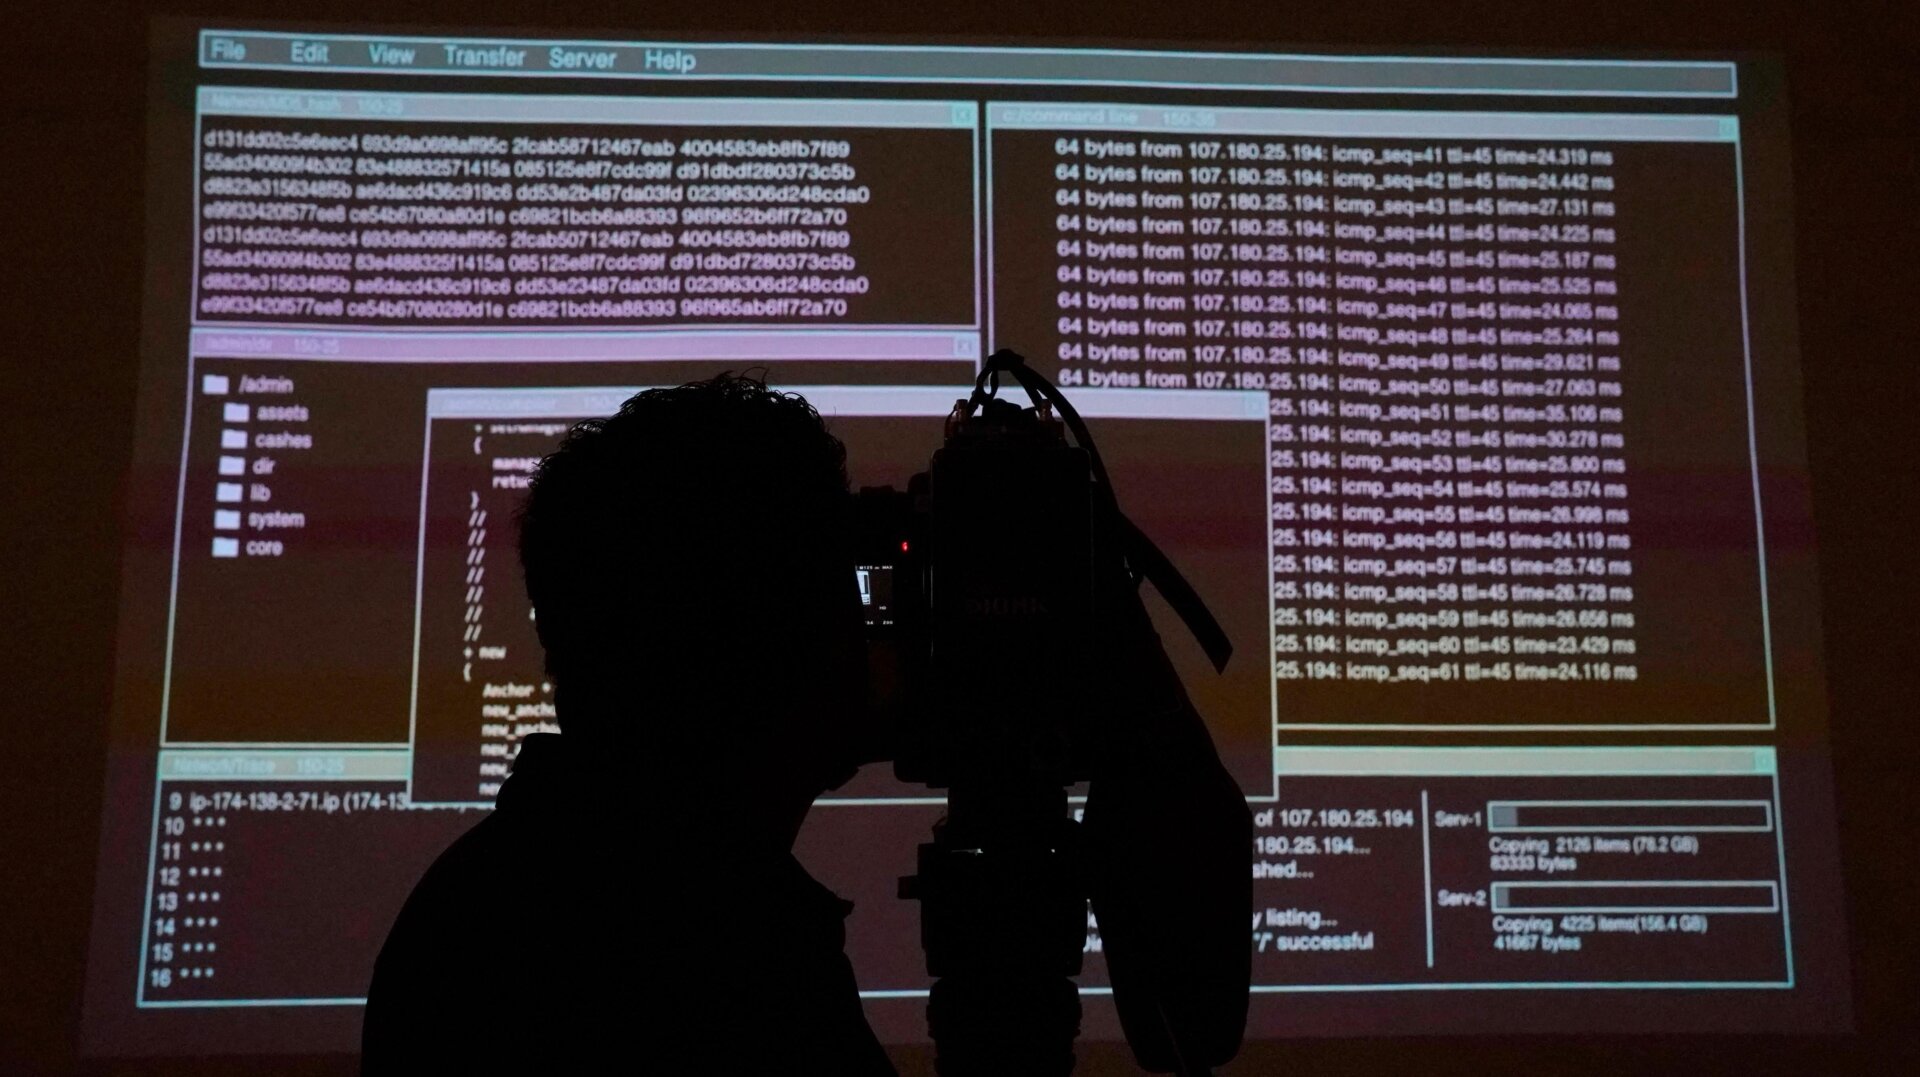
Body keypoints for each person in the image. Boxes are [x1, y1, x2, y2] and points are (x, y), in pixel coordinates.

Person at [362, 375, 894, 1075]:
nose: (868, 631)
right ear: (758, 637)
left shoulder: (481, 908)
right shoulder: (727, 960)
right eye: (841, 594)